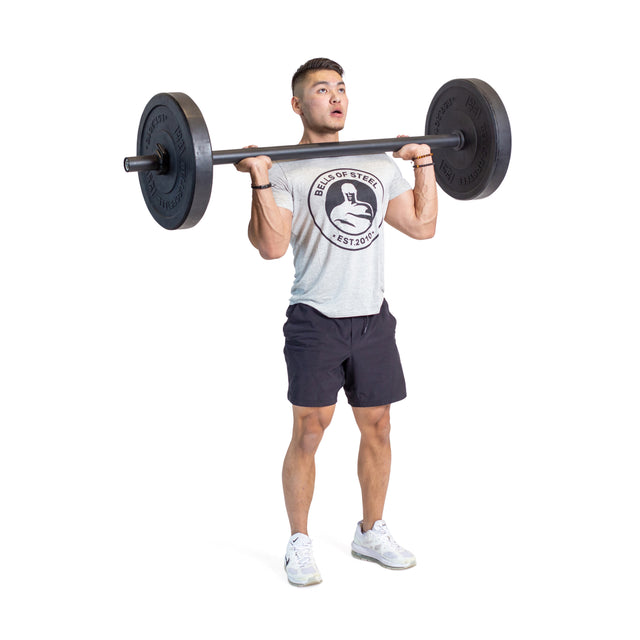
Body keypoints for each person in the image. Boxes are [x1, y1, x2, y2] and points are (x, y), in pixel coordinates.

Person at [235, 58, 437, 587]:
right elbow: (272, 248)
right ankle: (299, 541)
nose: (335, 96)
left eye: (341, 88)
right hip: (316, 319)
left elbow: (422, 225)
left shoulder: (374, 162)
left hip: (373, 317)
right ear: (299, 105)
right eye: (322, 90)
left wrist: (423, 162)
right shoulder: (282, 170)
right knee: (309, 429)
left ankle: (370, 532)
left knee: (380, 426)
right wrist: (258, 179)